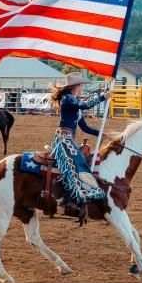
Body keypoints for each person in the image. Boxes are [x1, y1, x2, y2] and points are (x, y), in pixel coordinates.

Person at [50, 71, 109, 206]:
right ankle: (66, 196)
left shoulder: (74, 104)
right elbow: (86, 105)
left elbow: (85, 128)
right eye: (81, 85)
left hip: (68, 138)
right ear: (75, 86)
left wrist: (100, 134)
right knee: (77, 162)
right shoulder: (68, 98)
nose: (82, 87)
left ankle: (70, 193)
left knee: (77, 161)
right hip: (63, 138)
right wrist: (103, 97)